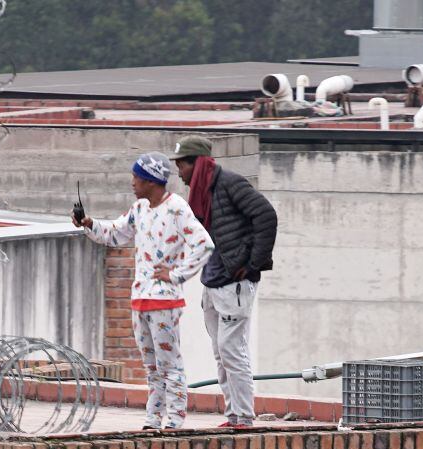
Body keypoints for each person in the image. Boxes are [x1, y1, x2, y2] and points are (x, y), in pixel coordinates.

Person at [74, 152, 213, 430]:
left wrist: (177, 274)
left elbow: (204, 244)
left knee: (169, 364)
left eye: (137, 177)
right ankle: (153, 418)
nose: (133, 183)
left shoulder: (177, 208)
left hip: (164, 301)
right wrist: (89, 224)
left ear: (151, 180)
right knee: (151, 367)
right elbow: (115, 233)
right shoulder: (139, 209)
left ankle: (174, 420)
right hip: (140, 299)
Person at [170, 135, 278, 429]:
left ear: (197, 163)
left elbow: (266, 215)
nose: (179, 172)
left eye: (182, 164)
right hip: (214, 280)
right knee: (220, 352)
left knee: (232, 349)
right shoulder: (202, 191)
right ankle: (233, 415)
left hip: (235, 283)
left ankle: (243, 416)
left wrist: (252, 264)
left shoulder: (230, 183)